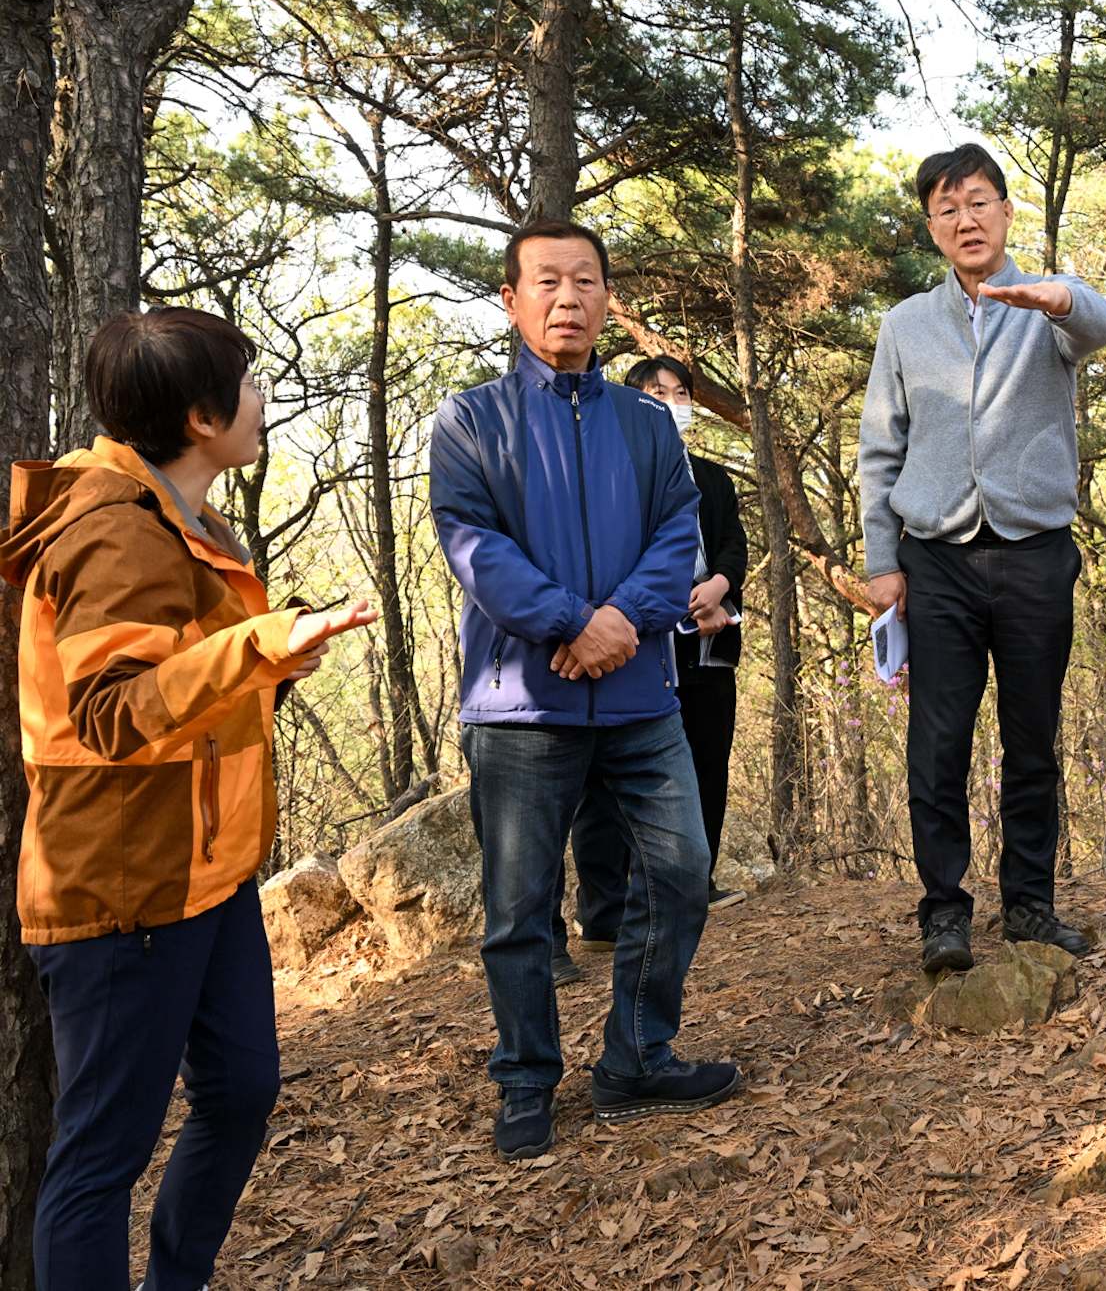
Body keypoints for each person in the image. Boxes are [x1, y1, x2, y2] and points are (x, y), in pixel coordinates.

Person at [3, 308, 376, 1290]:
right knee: (100, 1160)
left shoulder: (189, 519)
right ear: (203, 416)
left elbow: (195, 693)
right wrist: (257, 646)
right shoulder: (114, 536)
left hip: (205, 879)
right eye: (248, 383)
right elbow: (113, 712)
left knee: (244, 1089)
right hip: (123, 893)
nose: (262, 399)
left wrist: (278, 657)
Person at [431, 220, 738, 1160]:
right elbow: (473, 544)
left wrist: (619, 627)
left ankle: (639, 1057)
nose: (569, 298)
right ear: (512, 300)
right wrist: (577, 622)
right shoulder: (470, 419)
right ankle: (526, 1078)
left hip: (642, 698)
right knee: (520, 910)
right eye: (548, 282)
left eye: (587, 282)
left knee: (682, 871)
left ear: (608, 299)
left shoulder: (646, 423)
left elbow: (678, 531)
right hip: (524, 704)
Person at [858, 143, 1106, 973]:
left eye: (979, 202)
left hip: (1036, 551)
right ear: (931, 227)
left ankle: (1031, 904)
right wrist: (881, 558)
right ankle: (944, 912)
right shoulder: (905, 325)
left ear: (1006, 212)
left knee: (1032, 737)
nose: (965, 219)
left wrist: (1062, 296)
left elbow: (1101, 326)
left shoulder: (1048, 309)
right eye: (946, 208)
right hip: (935, 558)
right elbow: (880, 449)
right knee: (938, 741)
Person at [550, 356, 750, 987]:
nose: (671, 401)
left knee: (706, 764)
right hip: (628, 643)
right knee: (604, 780)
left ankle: (695, 882)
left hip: (708, 641)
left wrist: (719, 586)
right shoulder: (613, 473)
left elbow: (732, 547)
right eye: (655, 392)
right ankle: (605, 908)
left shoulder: (713, 479)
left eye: (680, 392)